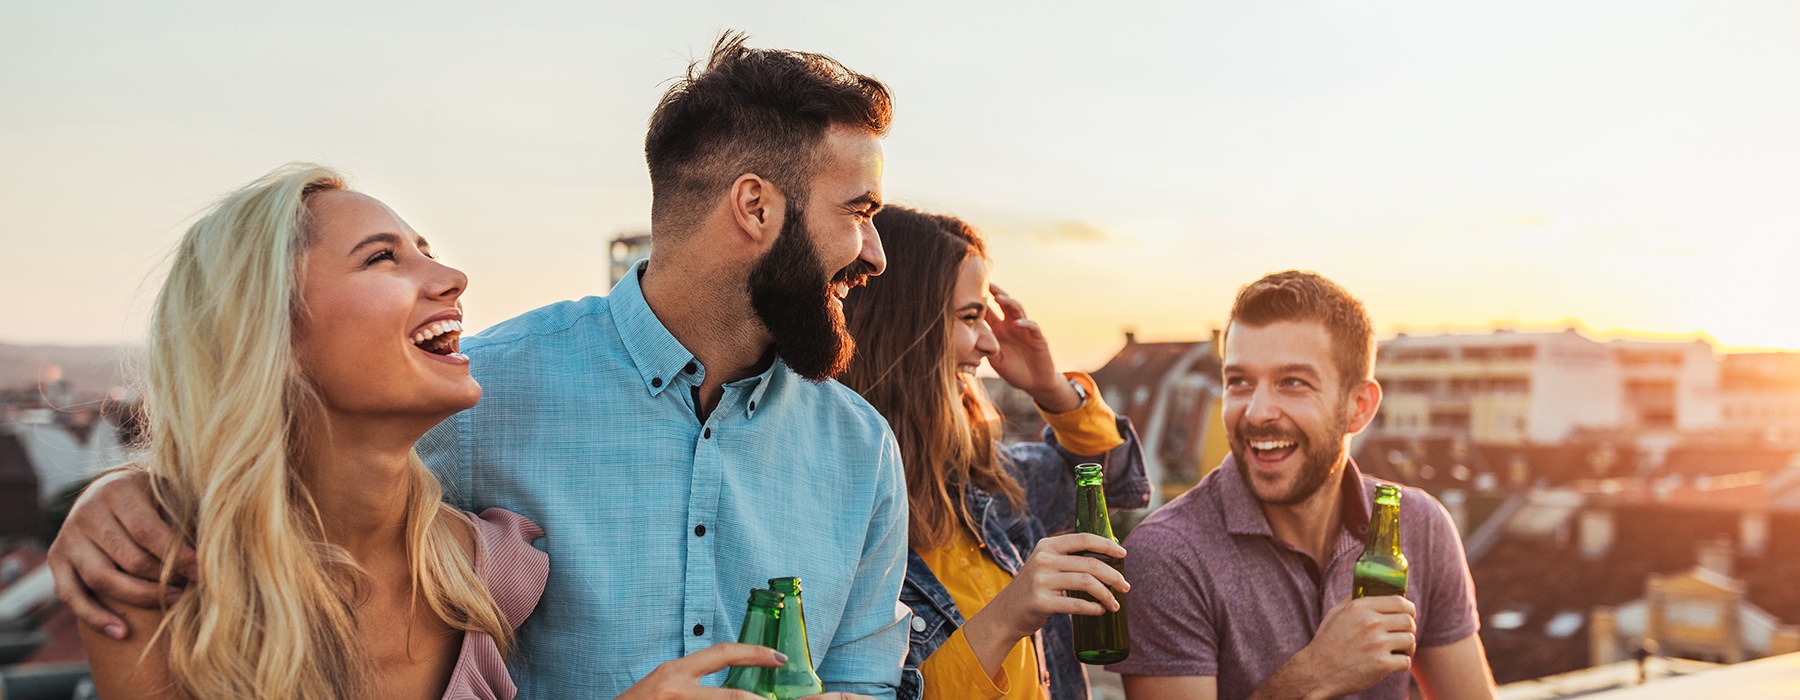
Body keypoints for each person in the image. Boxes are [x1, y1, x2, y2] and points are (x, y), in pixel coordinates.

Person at [51, 33, 904, 700]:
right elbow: (286, 484)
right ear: (754, 205)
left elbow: (863, 679)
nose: (874, 251)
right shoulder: (473, 400)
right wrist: (138, 492)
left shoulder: (860, 451)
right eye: (858, 210)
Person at [73, 164, 553, 698]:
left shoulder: (494, 570)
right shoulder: (157, 585)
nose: (453, 277)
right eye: (382, 257)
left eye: (427, 252)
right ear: (271, 336)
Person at [1110, 271, 1496, 700]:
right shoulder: (1169, 556)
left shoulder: (1420, 526)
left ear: (1359, 407)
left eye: (1291, 382)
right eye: (1239, 381)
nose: (1256, 412)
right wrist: (1313, 676)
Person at [839, 207, 1149, 700]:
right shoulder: (838, 512)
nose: (989, 341)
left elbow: (1114, 480)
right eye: (970, 317)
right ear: (904, 329)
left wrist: (1051, 388)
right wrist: (1007, 615)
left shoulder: (986, 483)